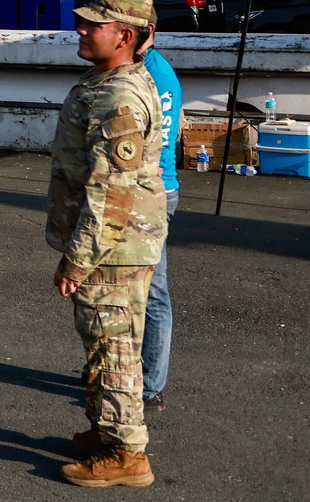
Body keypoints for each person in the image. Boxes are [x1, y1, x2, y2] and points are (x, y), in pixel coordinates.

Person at [48, 0, 168, 488]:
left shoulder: (119, 96)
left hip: (112, 246)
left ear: (125, 36)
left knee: (114, 346)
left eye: (92, 25)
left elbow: (111, 191)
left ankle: (127, 453)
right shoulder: (106, 82)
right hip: (114, 242)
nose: (80, 30)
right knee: (102, 342)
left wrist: (78, 260)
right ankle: (107, 430)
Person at [141, 36, 184, 412]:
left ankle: (150, 385)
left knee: (153, 293)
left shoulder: (155, 75)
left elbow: (157, 144)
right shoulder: (147, 70)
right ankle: (132, 374)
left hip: (153, 193)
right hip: (150, 191)